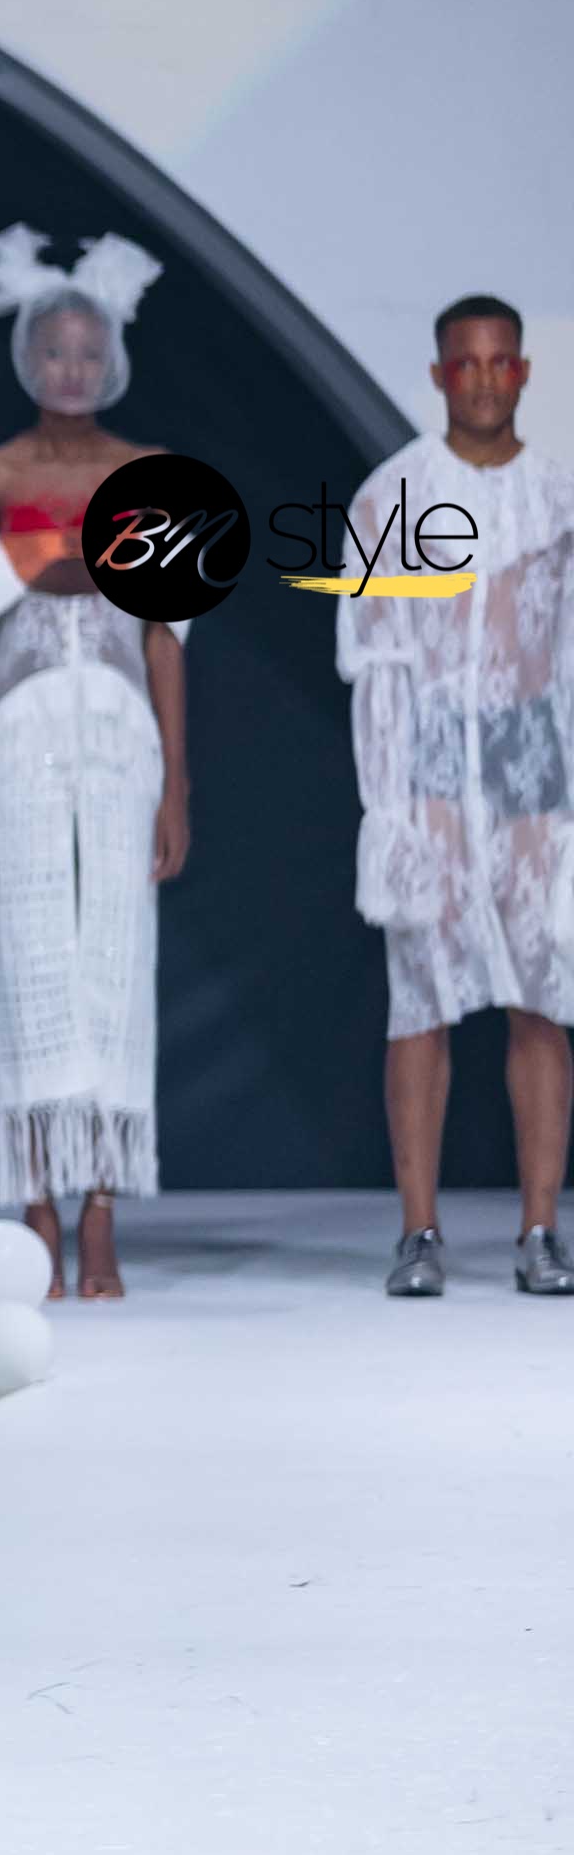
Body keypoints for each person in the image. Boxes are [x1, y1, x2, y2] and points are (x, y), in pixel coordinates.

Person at [0, 230, 183, 1301]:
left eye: (90, 351)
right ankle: (37, 1198)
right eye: (54, 350)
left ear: (113, 358)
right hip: (20, 731)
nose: (71, 369)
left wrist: (178, 781)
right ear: (25, 357)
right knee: (29, 957)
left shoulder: (148, 475)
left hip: (123, 733)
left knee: (116, 965)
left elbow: (165, 634)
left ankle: (102, 1210)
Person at [338, 297, 570, 1298]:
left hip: (531, 768)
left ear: (522, 372)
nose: (481, 379)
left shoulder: (559, 497)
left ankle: (539, 1230)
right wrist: (391, 803)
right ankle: (419, 1232)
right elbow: (373, 660)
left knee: (542, 995)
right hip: (429, 764)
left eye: (498, 361)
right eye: (463, 364)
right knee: (420, 999)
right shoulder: (393, 494)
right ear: (439, 375)